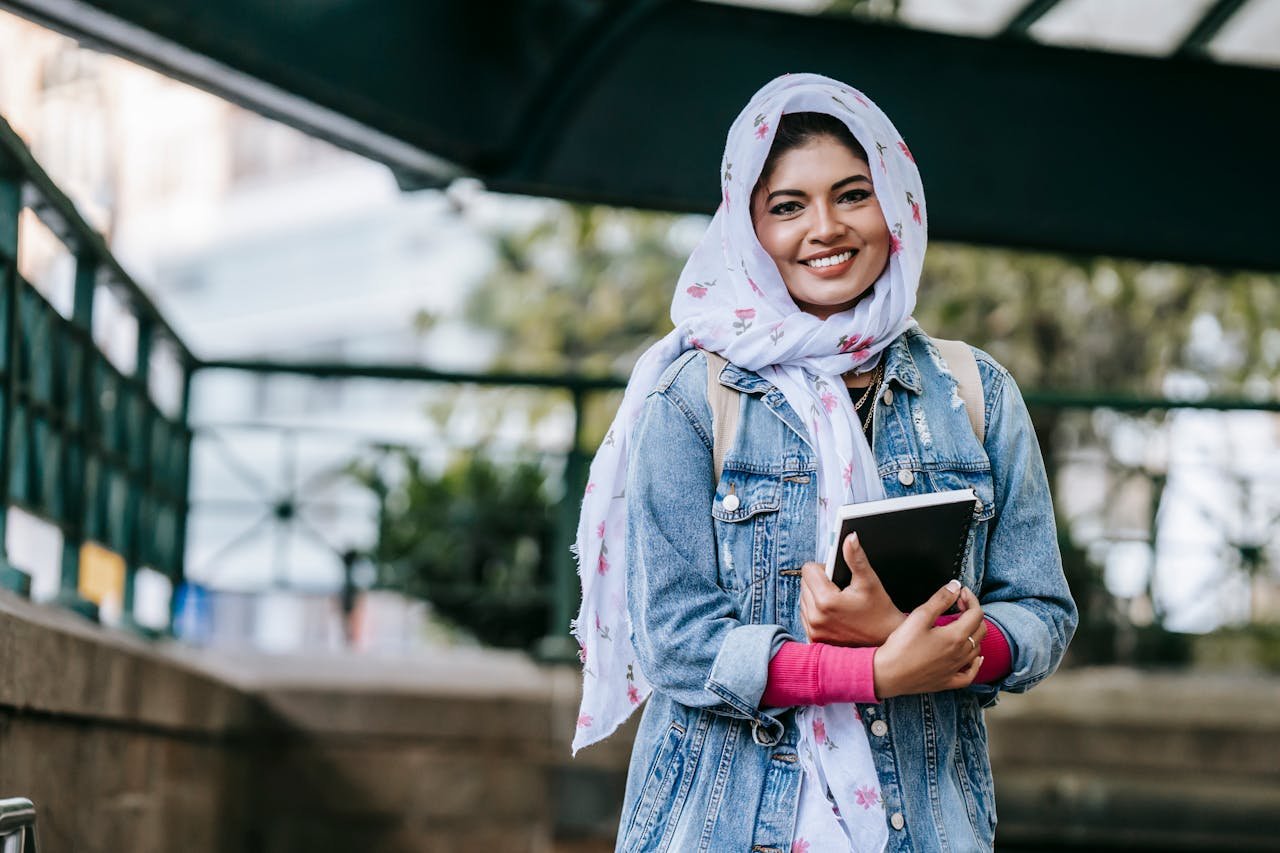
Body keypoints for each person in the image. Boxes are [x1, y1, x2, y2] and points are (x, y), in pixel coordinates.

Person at [571, 73, 1076, 853]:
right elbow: (676, 641)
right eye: (787, 205)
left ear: (897, 205)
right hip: (725, 829)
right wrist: (875, 668)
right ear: (747, 225)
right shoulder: (691, 396)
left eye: (852, 194)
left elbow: (1042, 610)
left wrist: (945, 642)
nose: (824, 228)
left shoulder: (976, 391)